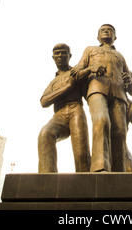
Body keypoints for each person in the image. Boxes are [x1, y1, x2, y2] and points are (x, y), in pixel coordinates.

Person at [71, 24, 132, 172]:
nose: (106, 31)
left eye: (110, 30)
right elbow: (76, 72)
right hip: (97, 89)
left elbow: (130, 75)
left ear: (115, 37)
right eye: (103, 30)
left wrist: (129, 79)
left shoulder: (120, 55)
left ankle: (119, 172)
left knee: (120, 131)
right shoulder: (91, 50)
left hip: (119, 94)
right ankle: (100, 168)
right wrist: (91, 69)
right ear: (98, 37)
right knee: (102, 121)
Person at [37, 43, 91, 173]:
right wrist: (67, 88)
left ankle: (85, 183)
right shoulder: (53, 82)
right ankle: (47, 179)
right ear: (53, 57)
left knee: (81, 152)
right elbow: (44, 102)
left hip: (75, 109)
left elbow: (90, 93)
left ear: (70, 55)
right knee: (46, 133)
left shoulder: (76, 73)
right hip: (59, 115)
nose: (60, 55)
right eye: (57, 53)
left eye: (63, 52)